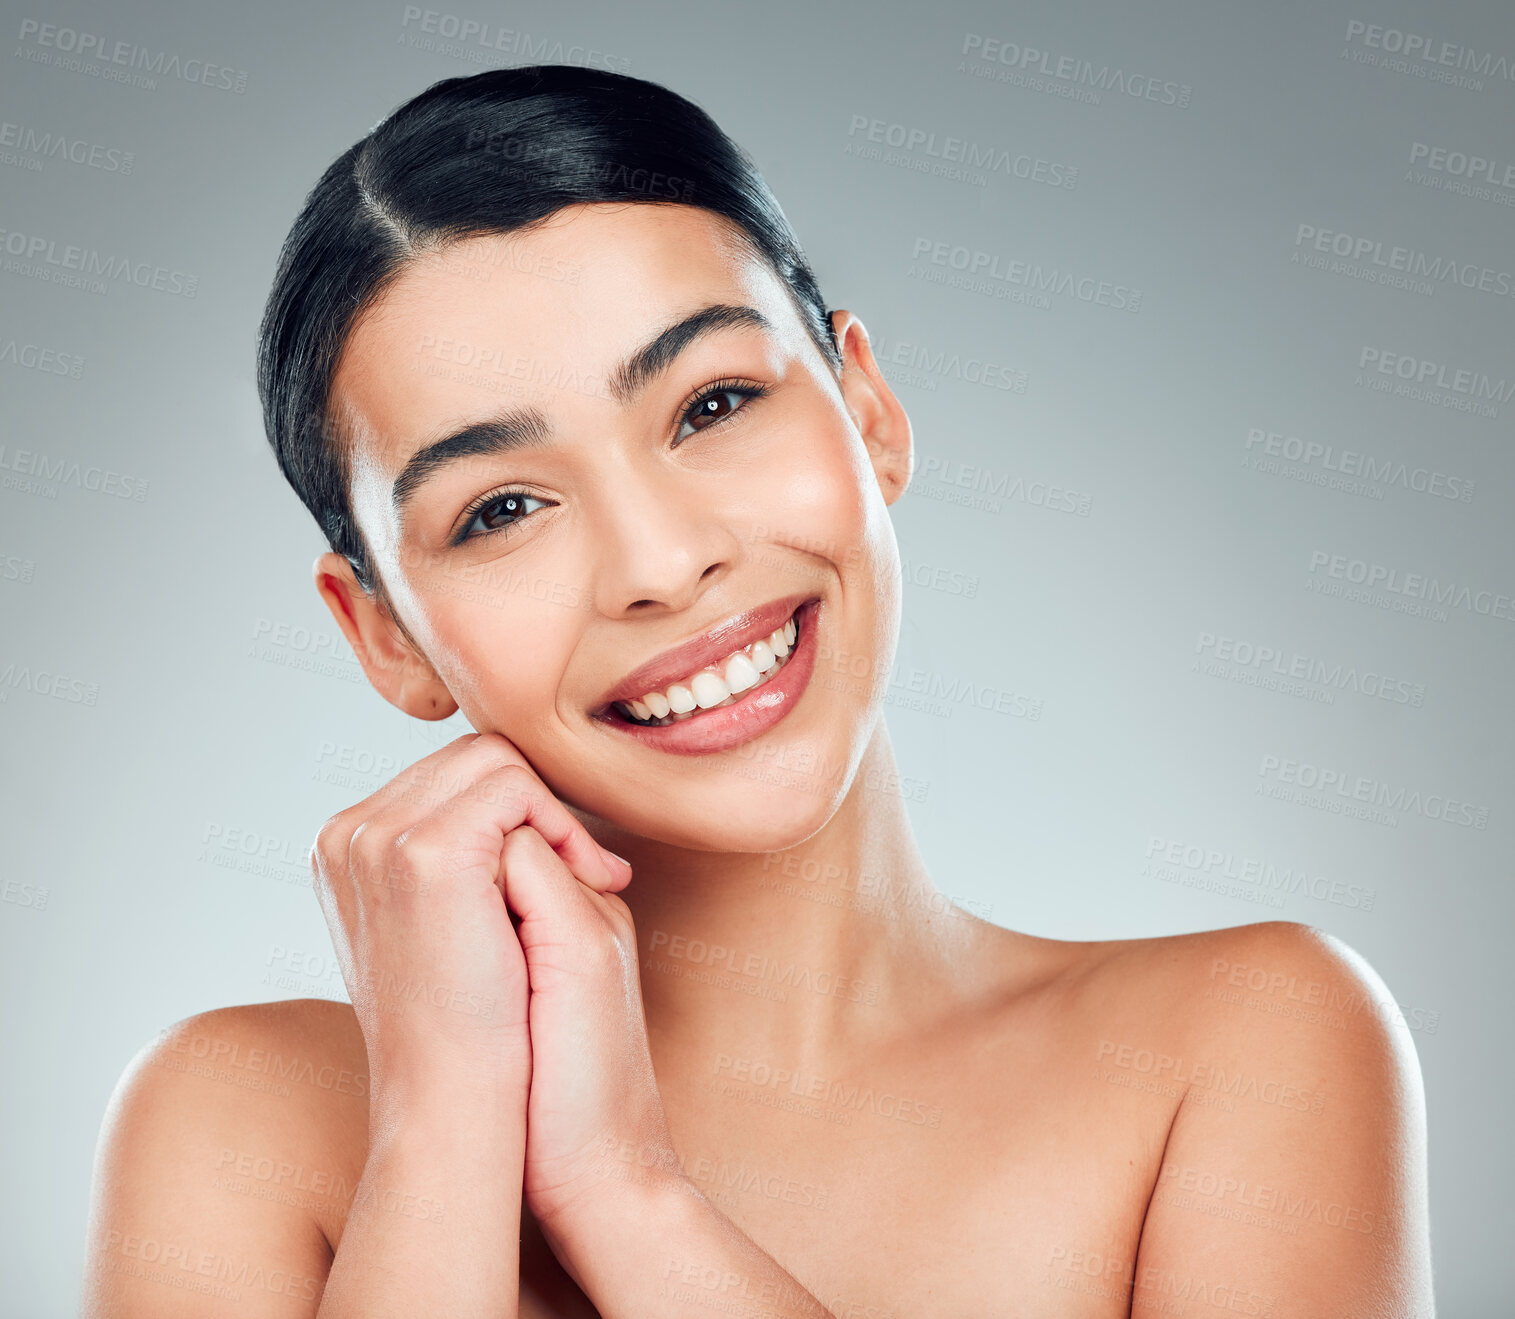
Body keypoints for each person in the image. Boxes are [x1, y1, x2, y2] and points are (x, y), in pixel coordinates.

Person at [81, 65, 1434, 1318]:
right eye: (500, 508)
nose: (664, 563)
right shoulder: (238, 1125)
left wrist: (623, 1189)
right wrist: (437, 1133)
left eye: (714, 404)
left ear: (870, 406)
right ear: (383, 632)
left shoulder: (1246, 1048)